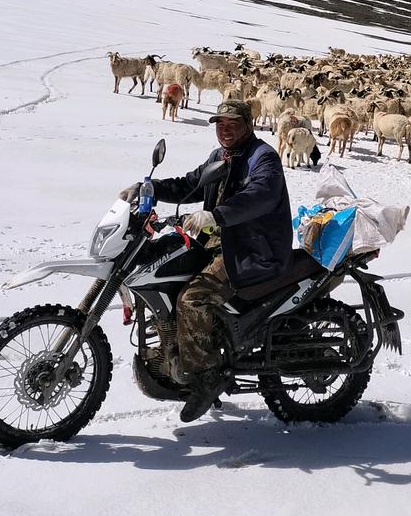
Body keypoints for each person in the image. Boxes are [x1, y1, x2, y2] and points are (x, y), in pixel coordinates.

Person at [120, 99, 293, 422]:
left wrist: (216, 215)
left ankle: (207, 377)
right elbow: (190, 184)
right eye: (220, 125)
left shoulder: (262, 157)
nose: (225, 131)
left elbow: (261, 194)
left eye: (232, 125)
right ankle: (178, 352)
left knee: (193, 299)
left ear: (248, 125)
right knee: (166, 276)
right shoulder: (220, 157)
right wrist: (150, 187)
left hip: (251, 248)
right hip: (218, 242)